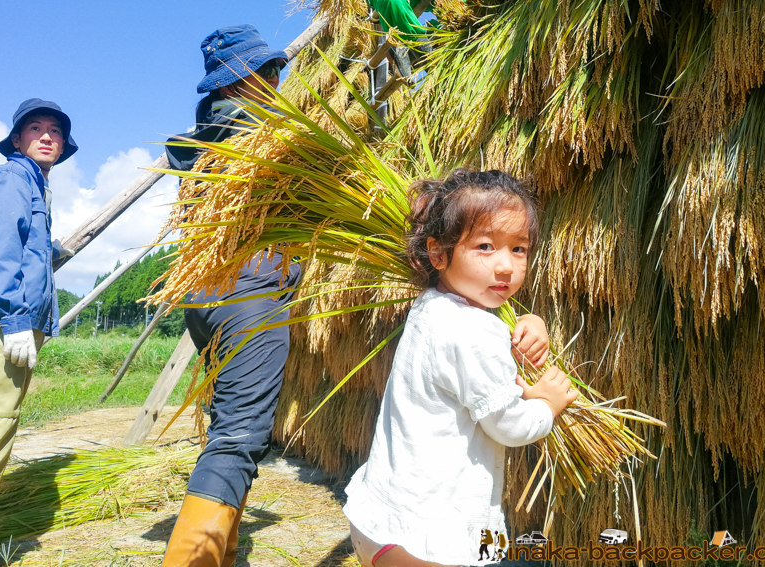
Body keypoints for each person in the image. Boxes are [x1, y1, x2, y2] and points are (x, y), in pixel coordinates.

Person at [344, 170, 578, 566]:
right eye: (485, 246)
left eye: (518, 249)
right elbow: (509, 425)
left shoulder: (432, 306)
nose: (505, 266)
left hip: (380, 522)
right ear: (438, 253)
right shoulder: (474, 330)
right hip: (430, 542)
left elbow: (473, 373)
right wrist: (547, 406)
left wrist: (530, 323)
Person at [161, 25, 302, 567]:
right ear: (242, 80)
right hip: (249, 294)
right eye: (267, 72)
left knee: (229, 425)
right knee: (240, 436)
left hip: (204, 297)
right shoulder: (263, 135)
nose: (276, 80)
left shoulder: (204, 139)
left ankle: (224, 549)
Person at [0, 98, 78, 560]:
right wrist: (14, 321)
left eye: (55, 130)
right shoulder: (12, 178)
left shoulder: (33, 187)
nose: (47, 136)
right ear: (17, 140)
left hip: (2, 321)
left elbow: (25, 249)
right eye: (36, 128)